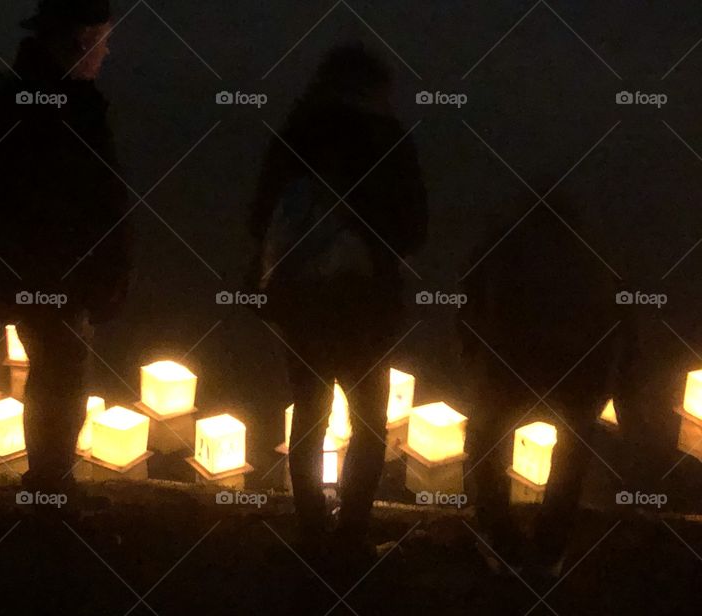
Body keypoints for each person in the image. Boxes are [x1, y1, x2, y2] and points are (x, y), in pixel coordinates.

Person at [0, 0, 132, 503]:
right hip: (60, 270)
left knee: (53, 371)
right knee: (60, 378)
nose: (108, 50)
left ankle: (49, 482)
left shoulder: (18, 97)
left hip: (30, 267)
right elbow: (96, 201)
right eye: (103, 38)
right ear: (81, 40)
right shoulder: (61, 106)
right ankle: (49, 488)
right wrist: (106, 271)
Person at [249, 44, 427, 556]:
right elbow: (413, 229)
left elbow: (258, 220)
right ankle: (351, 535)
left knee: (309, 409)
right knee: (370, 419)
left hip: (300, 299)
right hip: (365, 303)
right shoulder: (389, 141)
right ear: (375, 90)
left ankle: (310, 530)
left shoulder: (294, 135)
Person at [460, 192, 620, 579]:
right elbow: (614, 322)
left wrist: (473, 362)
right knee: (574, 445)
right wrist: (605, 387)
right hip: (570, 369)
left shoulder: (501, 246)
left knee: (484, 438)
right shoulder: (591, 256)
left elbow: (469, 308)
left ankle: (501, 538)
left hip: (511, 363)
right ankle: (550, 546)